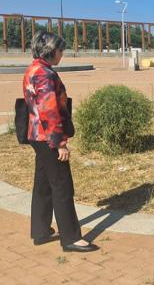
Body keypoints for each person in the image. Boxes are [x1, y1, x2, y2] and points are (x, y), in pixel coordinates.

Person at [23, 31, 99, 253]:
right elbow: (49, 111)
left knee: (43, 185)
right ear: (51, 50)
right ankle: (71, 238)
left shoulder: (32, 70)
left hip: (36, 135)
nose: (62, 54)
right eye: (61, 50)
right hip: (48, 138)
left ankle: (40, 230)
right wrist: (60, 143)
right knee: (62, 186)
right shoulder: (45, 74)